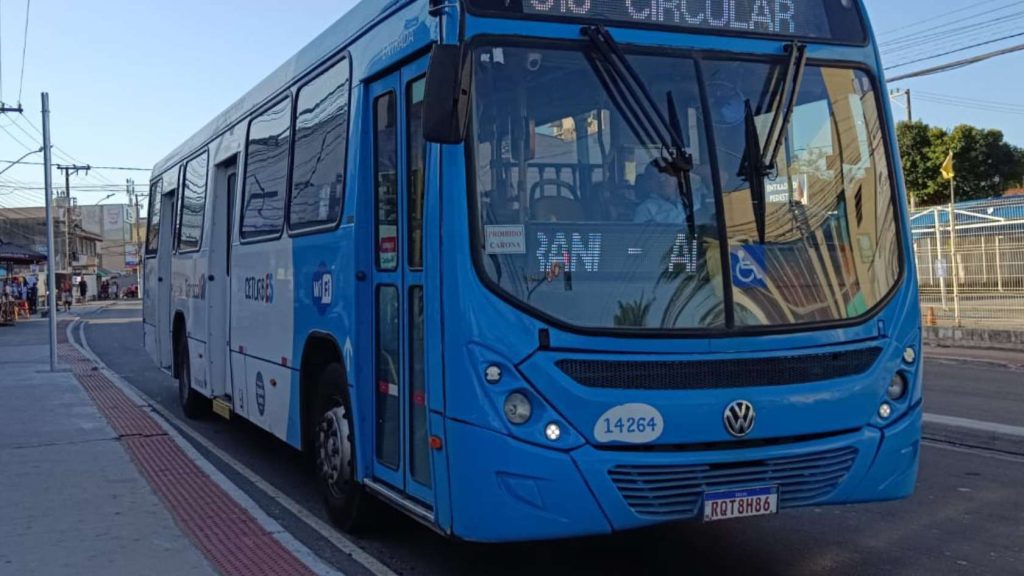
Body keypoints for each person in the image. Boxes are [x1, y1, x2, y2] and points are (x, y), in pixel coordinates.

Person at [633, 161, 712, 226]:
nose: (662, 180)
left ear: (676, 178)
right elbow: (641, 240)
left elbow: (721, 180)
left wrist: (688, 166)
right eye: (654, 177)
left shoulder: (695, 196)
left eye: (666, 174)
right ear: (648, 184)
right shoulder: (645, 209)